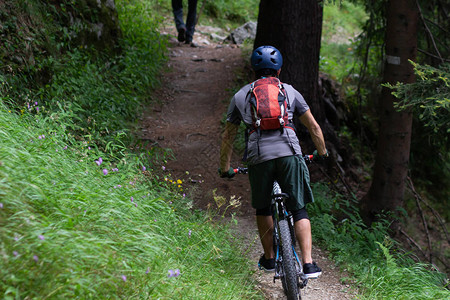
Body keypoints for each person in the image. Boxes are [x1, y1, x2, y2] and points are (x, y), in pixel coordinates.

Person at [219, 45, 328, 279]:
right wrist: (322, 152)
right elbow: (314, 127)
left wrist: (225, 168)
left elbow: (228, 135)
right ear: (278, 70)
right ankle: (308, 265)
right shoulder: (290, 91)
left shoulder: (240, 96)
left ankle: (269, 259)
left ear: (253, 69)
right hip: (290, 154)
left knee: (263, 208)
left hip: (259, 157)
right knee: (299, 208)